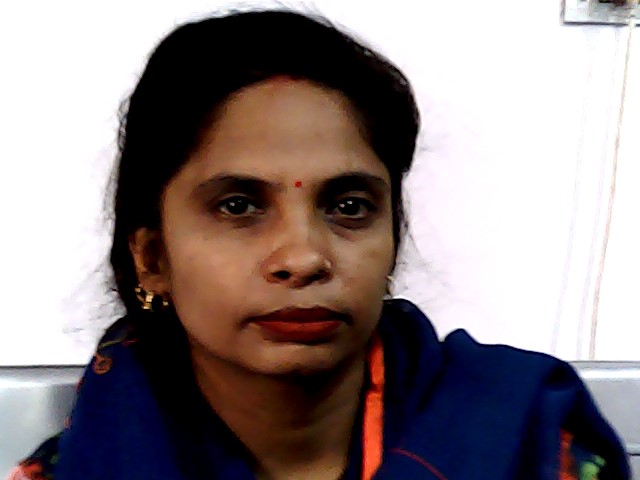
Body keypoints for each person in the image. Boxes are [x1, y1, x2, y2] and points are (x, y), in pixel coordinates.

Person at [7, 9, 630, 480]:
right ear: (152, 259)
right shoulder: (78, 468)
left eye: (349, 207)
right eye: (238, 206)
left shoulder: (531, 445)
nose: (304, 258)